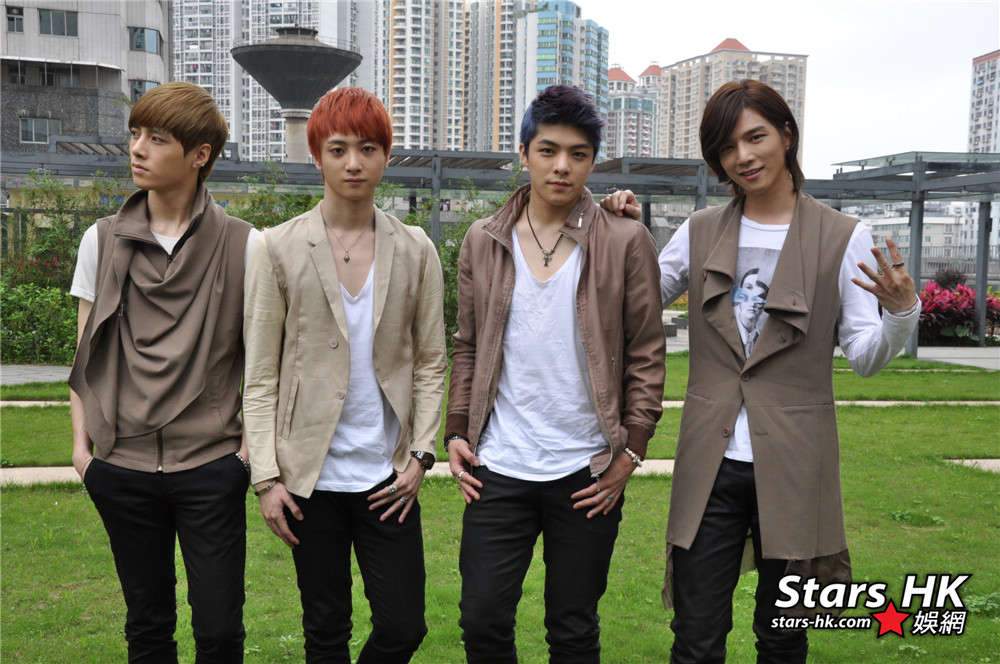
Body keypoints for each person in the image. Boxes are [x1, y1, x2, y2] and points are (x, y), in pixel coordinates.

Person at [601, 79, 920, 664]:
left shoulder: (844, 236)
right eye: (727, 147)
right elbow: (630, 306)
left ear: (786, 135)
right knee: (696, 638)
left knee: (783, 637)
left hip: (797, 463)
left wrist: (901, 313)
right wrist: (619, 232)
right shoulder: (699, 232)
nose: (743, 157)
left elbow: (864, 355)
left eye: (755, 137)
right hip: (711, 464)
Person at [445, 85, 665, 664]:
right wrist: (458, 429)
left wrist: (631, 451)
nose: (562, 165)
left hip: (586, 470)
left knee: (573, 629)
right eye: (548, 150)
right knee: (482, 620)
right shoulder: (483, 240)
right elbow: (468, 346)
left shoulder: (625, 239)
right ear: (524, 154)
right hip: (500, 466)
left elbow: (647, 352)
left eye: (578, 153)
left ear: (592, 161)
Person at [242, 87, 447, 664]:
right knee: (325, 631)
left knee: (404, 626)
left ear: (386, 156)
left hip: (388, 477)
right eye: (338, 149)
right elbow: (260, 374)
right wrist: (267, 479)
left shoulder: (415, 249)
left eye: (367, 148)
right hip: (311, 481)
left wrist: (420, 456)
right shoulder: (276, 247)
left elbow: (431, 360)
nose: (353, 163)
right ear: (317, 157)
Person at [69, 81, 259, 663]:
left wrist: (243, 456)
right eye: (135, 134)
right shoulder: (101, 240)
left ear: (200, 155)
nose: (137, 148)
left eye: (156, 138)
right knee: (147, 628)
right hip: (121, 466)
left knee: (220, 631)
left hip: (211, 466)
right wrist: (83, 452)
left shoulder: (246, 245)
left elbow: (262, 360)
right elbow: (84, 354)